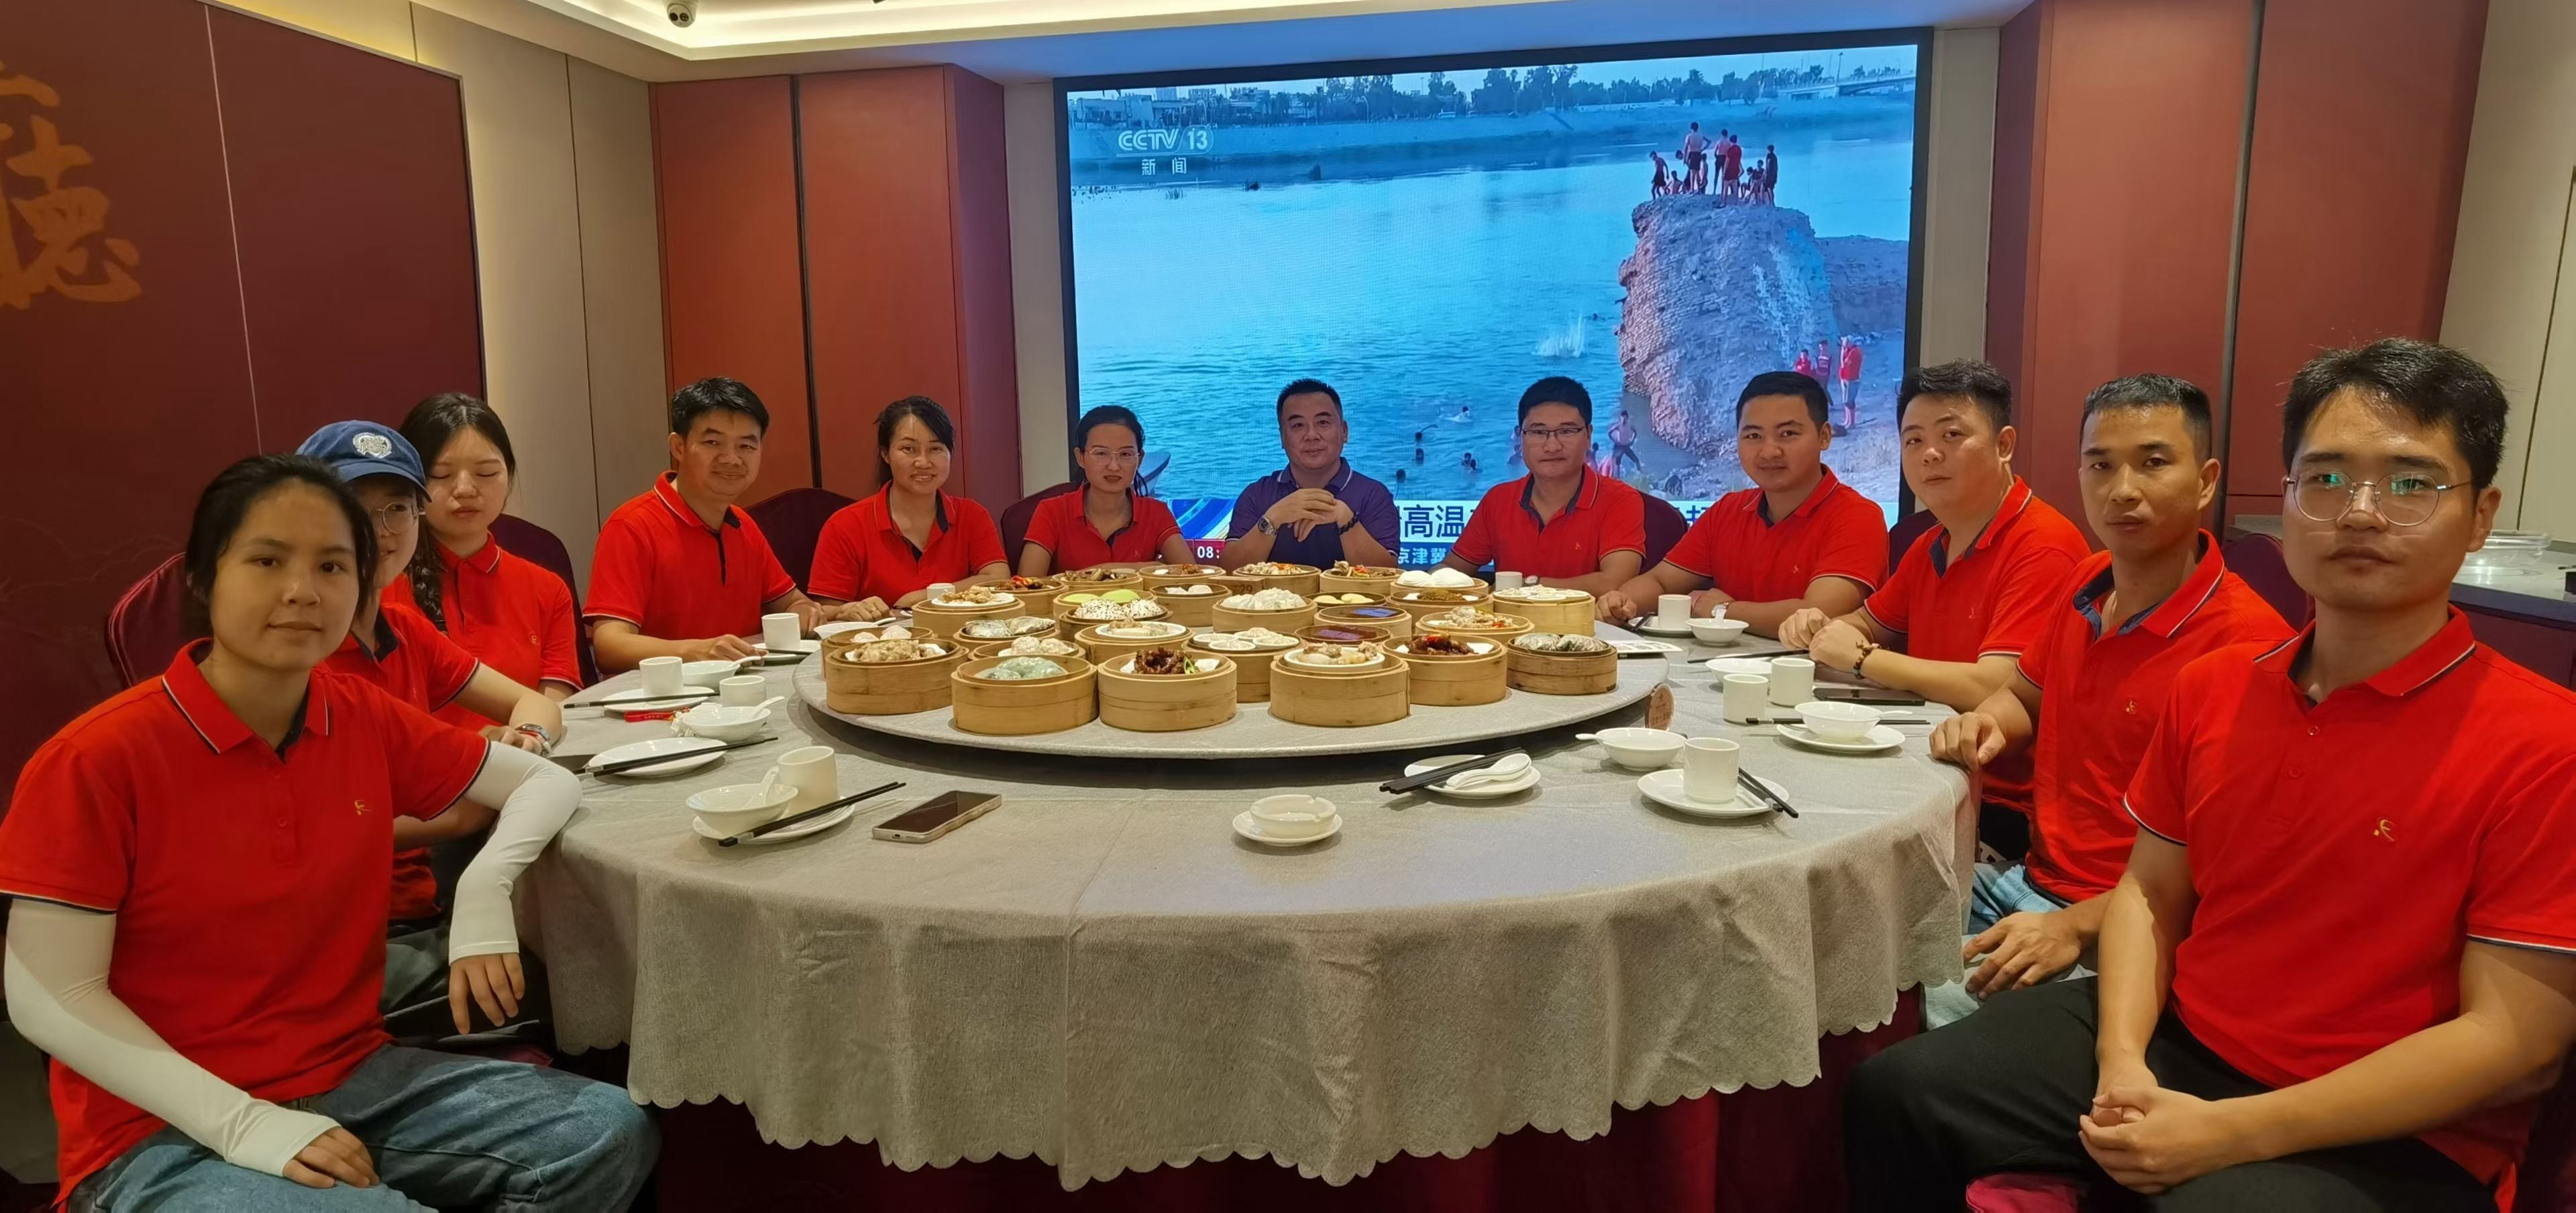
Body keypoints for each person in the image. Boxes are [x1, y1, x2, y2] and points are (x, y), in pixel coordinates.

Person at [1847, 339, 2576, 1212]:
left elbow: (2517, 1040)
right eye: (2327, 478)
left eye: (2411, 483)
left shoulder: (2546, 741)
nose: (2361, 512)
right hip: (2186, 1034)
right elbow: (2150, 892)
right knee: (1895, 1093)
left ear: (2482, 514)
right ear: (2288, 497)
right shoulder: (2219, 687)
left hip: (2391, 1124)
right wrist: (2122, 1063)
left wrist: (2232, 1131)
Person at [1, 454, 655, 1210]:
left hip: (347, 1072)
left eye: (333, 565)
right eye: (267, 560)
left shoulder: (356, 714)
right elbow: (49, 994)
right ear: (205, 578)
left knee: (605, 1131)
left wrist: (486, 884)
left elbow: (546, 779)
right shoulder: (96, 759)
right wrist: (241, 1121)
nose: (303, 590)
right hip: (158, 1126)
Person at [1921, 376, 2289, 1029]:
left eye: (2153, 462)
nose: (2122, 489)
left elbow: (2220, 871)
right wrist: (1985, 722)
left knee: (1897, 1014)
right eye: (2101, 465)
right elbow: (2025, 697)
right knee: (1851, 934)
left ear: (2206, 481)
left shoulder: (2250, 648)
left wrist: (2073, 927)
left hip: (2121, 926)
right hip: (2027, 878)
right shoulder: (2087, 581)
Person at [1778, 360, 2089, 849]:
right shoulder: (1932, 544)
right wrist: (1817, 624)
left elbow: (1996, 685)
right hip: (1925, 768)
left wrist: (1863, 659)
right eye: (1914, 440)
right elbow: (1864, 623)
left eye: (1952, 435)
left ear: (2004, 445)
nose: (1929, 454)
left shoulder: (2043, 545)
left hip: (1998, 805)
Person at [297, 422, 564, 941]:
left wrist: (527, 739)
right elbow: (323, 827)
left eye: (398, 508)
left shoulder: (401, 630)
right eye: (355, 509)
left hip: (429, 892)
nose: (382, 530)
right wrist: (471, 803)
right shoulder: (299, 655)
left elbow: (536, 704)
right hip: (350, 925)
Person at [585, 377, 865, 673]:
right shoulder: (632, 525)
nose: (732, 459)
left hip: (744, 687)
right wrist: (696, 650)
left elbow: (791, 603)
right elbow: (609, 646)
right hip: (666, 695)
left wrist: (808, 610)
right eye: (713, 443)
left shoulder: (742, 524)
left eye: (746, 446)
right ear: (679, 447)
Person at [1597, 372, 1886, 636]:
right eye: (1753, 436)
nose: (1769, 451)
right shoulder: (1729, 510)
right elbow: (1661, 581)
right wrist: (1621, 602)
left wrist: (1724, 611)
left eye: (1788, 434)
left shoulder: (1857, 516)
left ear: (1824, 437)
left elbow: (1818, 615)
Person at [393, 394, 580, 724]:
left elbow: (556, 703)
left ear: (508, 474)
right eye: (441, 475)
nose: (465, 489)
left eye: (486, 473)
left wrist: (524, 740)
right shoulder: (380, 588)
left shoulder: (547, 590)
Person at [1442, 377, 1646, 594]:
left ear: (1588, 436)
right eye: (1538, 432)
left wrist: (1525, 587)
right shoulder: (1499, 500)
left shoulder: (1620, 499)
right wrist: (1430, 581)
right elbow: (1452, 570)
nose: (1552, 446)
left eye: (1566, 431)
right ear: (1521, 437)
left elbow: (1615, 583)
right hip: (1508, 617)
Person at [809, 395, 1008, 617]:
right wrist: (847, 611)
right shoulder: (845, 526)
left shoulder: (971, 515)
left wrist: (927, 597)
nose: (923, 462)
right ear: (886, 454)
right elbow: (826, 610)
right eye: (909, 449)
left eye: (936, 449)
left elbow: (998, 578)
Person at [1222, 379, 1399, 571]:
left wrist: (1346, 519)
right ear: (1282, 437)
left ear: (1344, 431)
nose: (1311, 435)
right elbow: (1229, 572)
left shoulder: (1374, 495)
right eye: (1298, 425)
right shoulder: (1257, 494)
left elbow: (1388, 574)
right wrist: (1273, 518)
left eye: (1323, 423)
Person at [1018, 405, 1194, 573]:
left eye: (1125, 454)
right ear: (1080, 457)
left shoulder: (1156, 513)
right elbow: (1027, 584)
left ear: (1139, 460)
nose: (1114, 466)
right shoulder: (1052, 511)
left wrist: (1107, 571)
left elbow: (1193, 576)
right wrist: (1146, 568)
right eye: (1101, 453)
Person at [1836, 336, 1864, 433]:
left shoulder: (1854, 352)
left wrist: (1842, 352)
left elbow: (1844, 364)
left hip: (1851, 380)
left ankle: (1852, 423)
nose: (1843, 345)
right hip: (1845, 378)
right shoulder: (1849, 350)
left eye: (1844, 343)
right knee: (1846, 401)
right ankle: (1847, 420)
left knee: (1850, 401)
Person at [1607, 407, 1644, 478]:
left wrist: (1632, 441)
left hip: (1626, 446)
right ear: (1621, 418)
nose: (1624, 420)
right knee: (1617, 463)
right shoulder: (1618, 426)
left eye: (1625, 418)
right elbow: (1609, 433)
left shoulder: (1630, 426)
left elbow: (1635, 432)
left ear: (1627, 418)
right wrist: (1615, 441)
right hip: (1619, 446)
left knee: (1636, 460)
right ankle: (1617, 477)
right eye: (1622, 418)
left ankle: (1641, 474)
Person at [1682, 122, 1707, 194]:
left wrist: (1684, 159)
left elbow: (1685, 148)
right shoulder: (1701, 136)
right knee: (1697, 171)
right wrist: (1703, 149)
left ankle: (1692, 189)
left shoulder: (1689, 136)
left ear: (1691, 128)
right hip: (1698, 153)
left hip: (1692, 153)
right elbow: (1709, 142)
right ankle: (1698, 189)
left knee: (1692, 172)